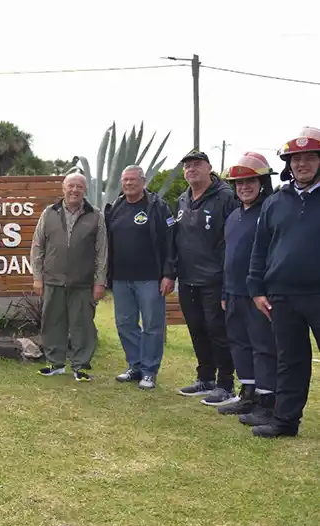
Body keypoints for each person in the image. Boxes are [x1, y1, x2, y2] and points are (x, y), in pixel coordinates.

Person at [247, 127, 320, 438]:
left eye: (309, 157)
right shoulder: (275, 202)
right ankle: (285, 422)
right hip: (282, 296)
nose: (301, 164)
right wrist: (256, 288)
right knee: (290, 361)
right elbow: (260, 247)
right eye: (295, 159)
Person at [173, 149, 240, 402]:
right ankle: (205, 378)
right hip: (188, 278)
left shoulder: (225, 197)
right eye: (187, 166)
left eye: (197, 164)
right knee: (197, 329)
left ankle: (226, 385)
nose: (191, 169)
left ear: (209, 167)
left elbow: (232, 239)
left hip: (215, 278)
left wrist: (228, 279)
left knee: (217, 330)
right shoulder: (182, 199)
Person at [30, 172, 107, 382]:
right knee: (53, 322)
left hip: (83, 282)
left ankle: (80, 366)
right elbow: (37, 247)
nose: (74, 190)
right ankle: (55, 363)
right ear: (63, 189)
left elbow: (101, 252)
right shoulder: (49, 213)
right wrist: (37, 277)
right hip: (53, 279)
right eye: (71, 186)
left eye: (79, 187)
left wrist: (99, 282)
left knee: (82, 325)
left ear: (85, 190)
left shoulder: (96, 215)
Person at [105, 165, 176, 390]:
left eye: (133, 180)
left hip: (150, 279)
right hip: (121, 278)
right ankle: (135, 366)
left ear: (143, 181)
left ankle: (149, 371)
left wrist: (169, 274)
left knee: (152, 326)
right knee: (125, 324)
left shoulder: (157, 207)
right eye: (125, 180)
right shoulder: (115, 207)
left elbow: (170, 243)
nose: (128, 184)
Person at [217, 153, 277, 418]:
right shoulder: (233, 217)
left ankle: (267, 402)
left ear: (262, 182)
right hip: (232, 293)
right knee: (239, 344)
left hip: (258, 295)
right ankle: (248, 395)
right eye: (239, 183)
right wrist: (224, 291)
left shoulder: (269, 212)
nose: (244, 187)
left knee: (263, 346)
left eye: (250, 181)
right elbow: (228, 256)